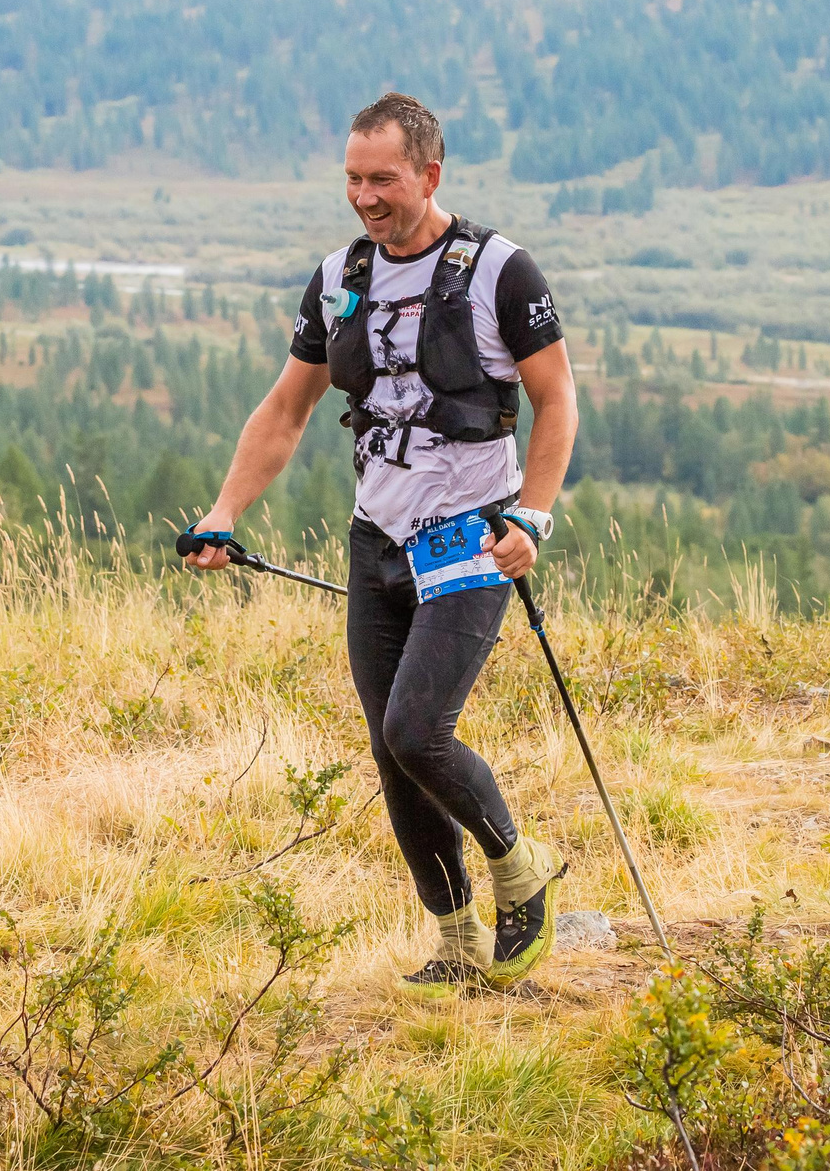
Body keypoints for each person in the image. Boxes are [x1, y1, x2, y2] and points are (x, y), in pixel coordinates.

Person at [184, 91, 578, 994]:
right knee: (388, 746)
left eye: (383, 178)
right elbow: (287, 409)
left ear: (430, 174)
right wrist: (224, 512)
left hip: (472, 537)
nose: (365, 195)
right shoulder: (339, 278)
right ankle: (455, 938)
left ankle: (523, 867)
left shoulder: (500, 272)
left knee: (417, 727)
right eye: (353, 178)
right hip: (377, 543)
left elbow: (557, 402)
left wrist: (532, 517)